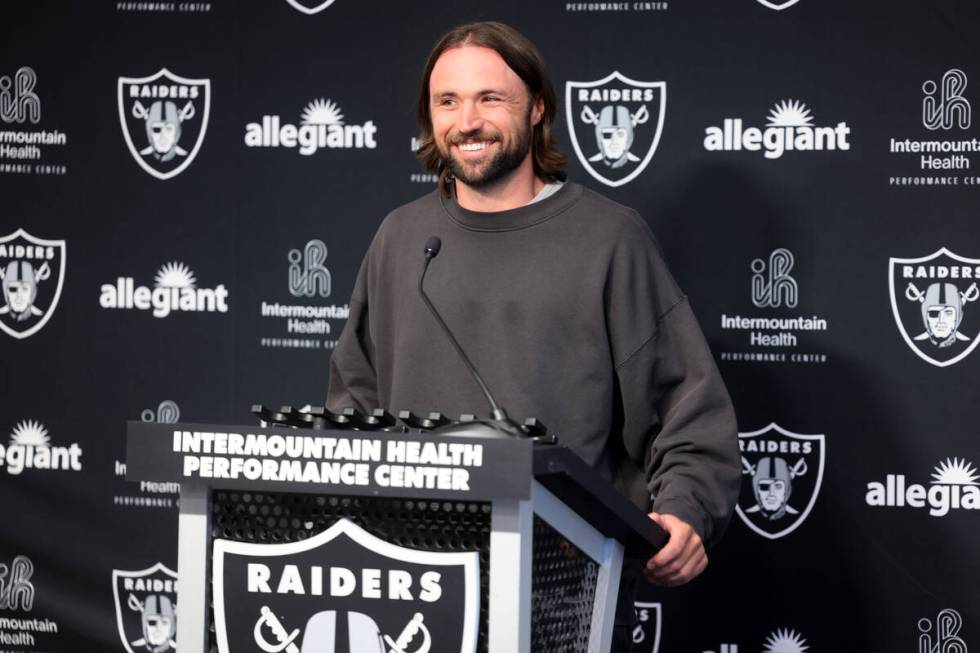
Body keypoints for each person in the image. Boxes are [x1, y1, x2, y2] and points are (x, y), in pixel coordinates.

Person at [327, 20, 740, 650]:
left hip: (557, 591)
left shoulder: (609, 239)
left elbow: (687, 413)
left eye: (490, 98)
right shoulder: (402, 239)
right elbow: (352, 405)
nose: (468, 121)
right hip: (409, 589)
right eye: (448, 101)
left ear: (538, 106)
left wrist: (685, 513)